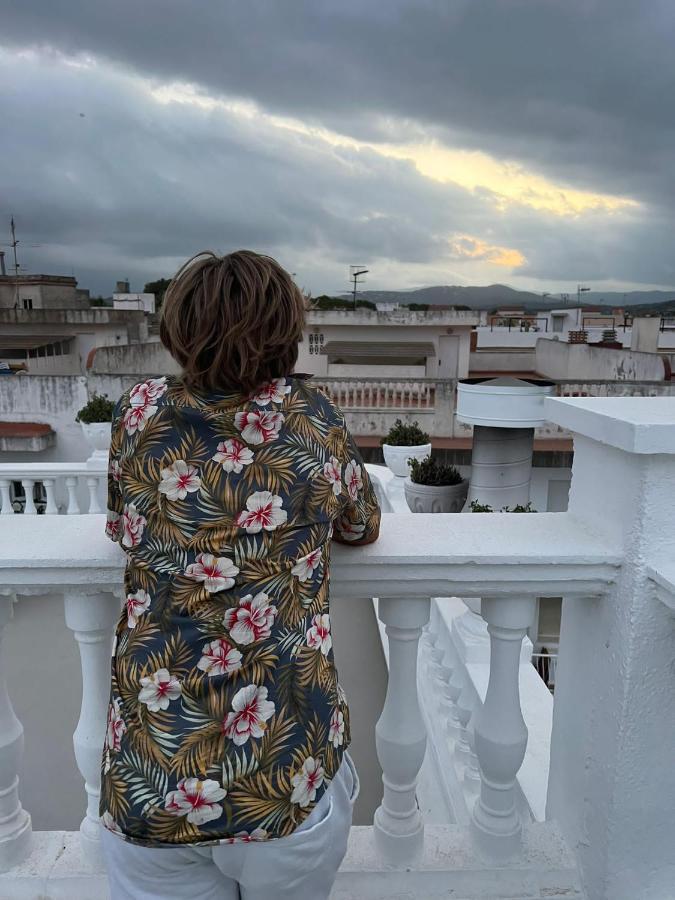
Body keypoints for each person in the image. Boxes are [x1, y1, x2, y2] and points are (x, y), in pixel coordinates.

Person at [99, 250, 381, 899]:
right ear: (286, 330)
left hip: (153, 775)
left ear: (179, 329)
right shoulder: (313, 418)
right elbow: (360, 524)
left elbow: (121, 527)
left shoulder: (137, 414)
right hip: (286, 775)